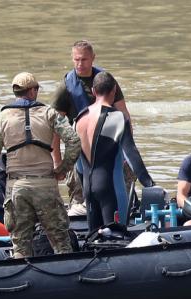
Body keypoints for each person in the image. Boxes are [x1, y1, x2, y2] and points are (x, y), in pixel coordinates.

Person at [0, 72, 80, 258]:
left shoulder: (2, 118)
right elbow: (74, 141)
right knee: (61, 244)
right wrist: (62, 169)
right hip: (46, 186)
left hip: (17, 189)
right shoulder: (49, 114)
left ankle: (22, 280)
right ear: (33, 91)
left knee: (20, 247)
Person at [50, 40, 133, 217]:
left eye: (85, 60)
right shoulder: (66, 88)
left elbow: (123, 114)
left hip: (109, 146)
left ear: (93, 58)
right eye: (77, 60)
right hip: (80, 149)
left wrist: (128, 148)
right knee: (81, 197)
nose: (80, 64)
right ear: (72, 59)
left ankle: (123, 217)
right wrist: (57, 162)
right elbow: (54, 128)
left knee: (123, 185)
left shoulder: (106, 81)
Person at [75, 72, 155, 232]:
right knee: (117, 238)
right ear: (113, 90)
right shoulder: (117, 117)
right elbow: (132, 155)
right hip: (110, 188)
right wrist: (150, 185)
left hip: (88, 189)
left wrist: (86, 184)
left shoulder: (79, 118)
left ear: (94, 91)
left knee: (94, 239)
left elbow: (78, 164)